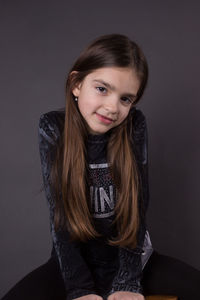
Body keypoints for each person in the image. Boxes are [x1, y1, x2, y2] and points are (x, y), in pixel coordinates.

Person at [1, 33, 199, 300]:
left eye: (126, 99)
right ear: (76, 84)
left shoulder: (134, 125)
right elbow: (59, 218)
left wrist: (128, 281)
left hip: (134, 261)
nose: (112, 107)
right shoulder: (53, 127)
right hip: (73, 266)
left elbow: (138, 207)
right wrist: (80, 289)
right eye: (102, 89)